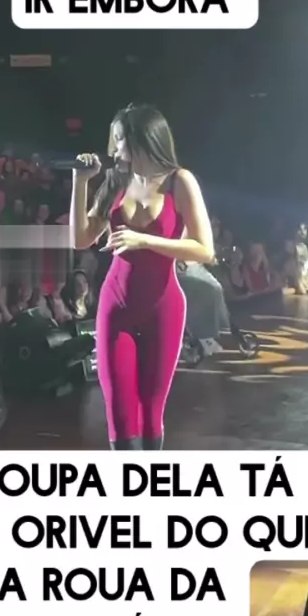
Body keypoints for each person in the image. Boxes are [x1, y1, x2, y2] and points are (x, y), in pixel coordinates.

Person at [70, 104, 214, 450]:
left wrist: (144, 240)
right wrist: (80, 182)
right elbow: (80, 239)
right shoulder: (116, 181)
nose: (113, 149)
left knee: (150, 414)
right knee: (121, 416)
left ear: (143, 140)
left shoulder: (180, 181)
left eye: (120, 139)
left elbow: (204, 249)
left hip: (163, 308)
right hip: (116, 306)